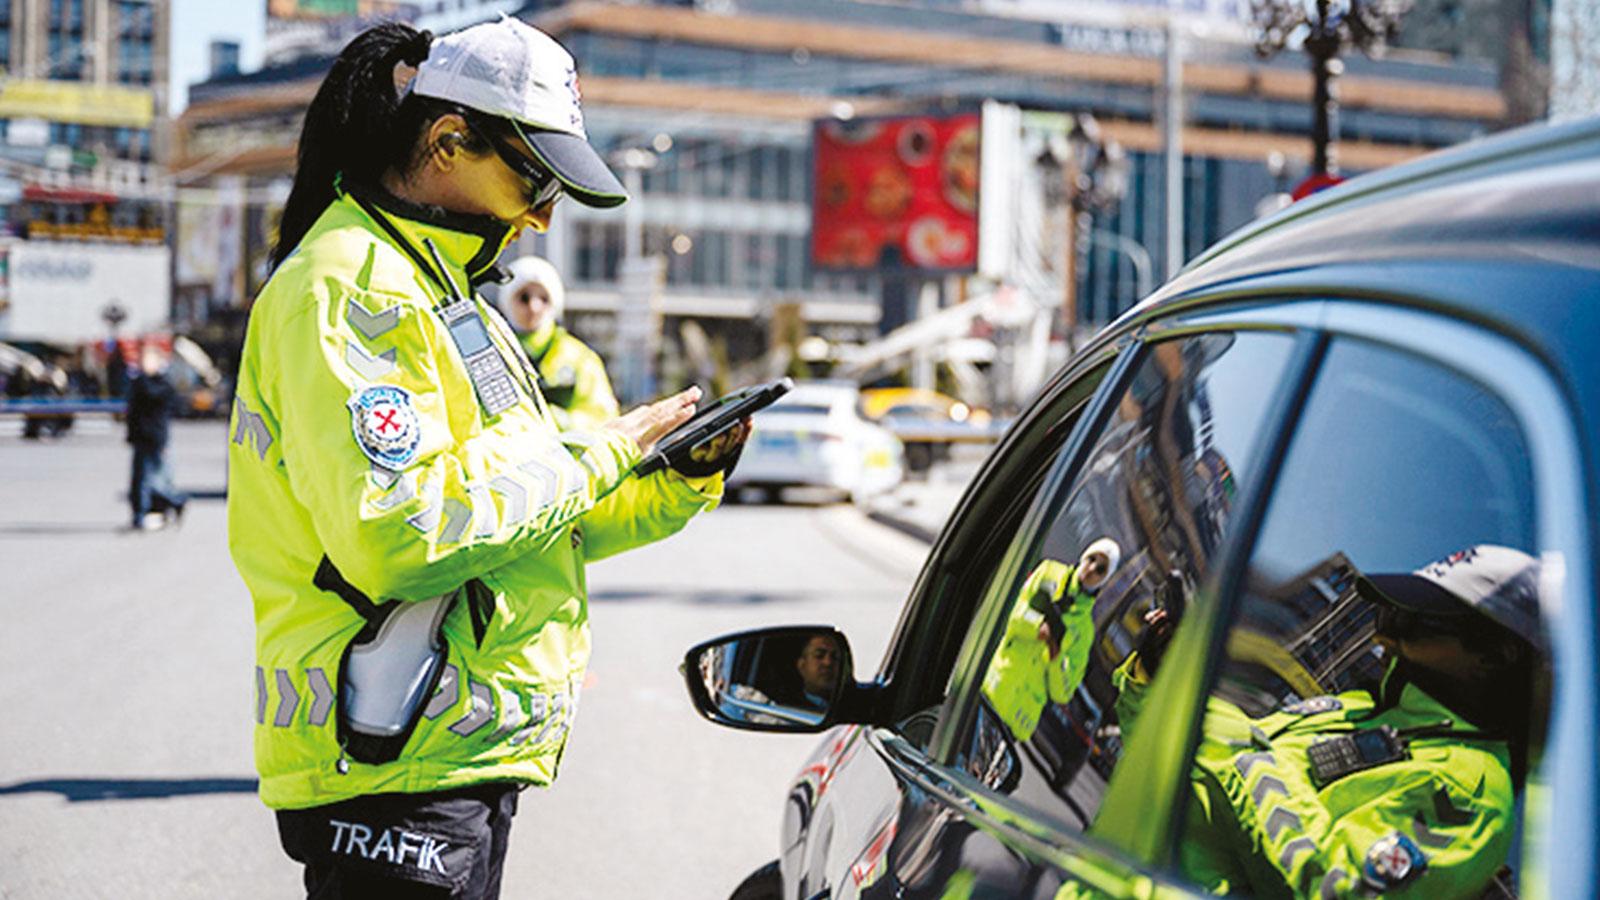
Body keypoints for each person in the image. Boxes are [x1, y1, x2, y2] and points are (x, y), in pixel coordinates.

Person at [226, 19, 747, 898]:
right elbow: (403, 534)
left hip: (444, 759)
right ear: (447, 141)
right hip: (392, 758)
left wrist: (676, 478)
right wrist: (602, 453)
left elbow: (534, 522)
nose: (542, 213)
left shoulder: (447, 294)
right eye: (535, 177)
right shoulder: (355, 286)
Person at [1114, 545, 1540, 899]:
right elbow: (1202, 754)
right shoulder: (1359, 706)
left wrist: (1244, 762)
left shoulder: (1471, 793)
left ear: (1494, 656)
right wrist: (1161, 678)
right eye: (1385, 615)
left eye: (1410, 622)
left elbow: (1337, 889)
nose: (1382, 637)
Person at [981, 538, 1122, 742]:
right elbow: (1009, 612)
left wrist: (1056, 657)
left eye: (1101, 569)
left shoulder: (1084, 631)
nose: (1091, 569)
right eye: (1091, 559)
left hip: (1016, 719)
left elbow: (1063, 693)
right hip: (992, 687)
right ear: (1084, 556)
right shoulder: (1048, 572)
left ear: (1103, 580)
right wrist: (1036, 627)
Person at [498, 255, 619, 430]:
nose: (534, 307)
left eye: (544, 298)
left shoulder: (579, 357)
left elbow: (603, 418)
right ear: (507, 301)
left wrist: (556, 420)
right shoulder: (493, 350)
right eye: (524, 298)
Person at [126, 343, 187, 530]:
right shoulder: (140, 382)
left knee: (150, 479)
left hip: (155, 437)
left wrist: (143, 377)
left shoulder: (161, 384)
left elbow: (154, 396)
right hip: (141, 437)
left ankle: (171, 502)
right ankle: (145, 512)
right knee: (142, 479)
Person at [792, 633, 842, 710]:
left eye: (835, 657)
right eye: (819, 655)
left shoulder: (850, 704)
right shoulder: (790, 706)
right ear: (802, 665)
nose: (828, 662)